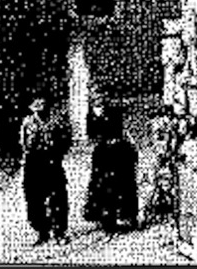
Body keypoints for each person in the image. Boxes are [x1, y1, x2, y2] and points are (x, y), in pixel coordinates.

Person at [20, 96, 72, 246]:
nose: (40, 108)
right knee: (35, 200)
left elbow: (66, 140)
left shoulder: (57, 122)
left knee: (58, 198)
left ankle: (59, 232)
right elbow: (24, 144)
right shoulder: (27, 123)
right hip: (34, 164)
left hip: (52, 163)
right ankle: (42, 232)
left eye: (43, 104)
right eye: (36, 105)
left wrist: (58, 154)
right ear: (31, 107)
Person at [84, 101, 138, 233]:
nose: (98, 101)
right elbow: (91, 135)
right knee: (102, 186)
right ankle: (106, 218)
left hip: (119, 153)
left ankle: (126, 216)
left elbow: (123, 132)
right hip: (102, 155)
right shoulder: (90, 116)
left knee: (122, 185)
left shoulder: (115, 112)